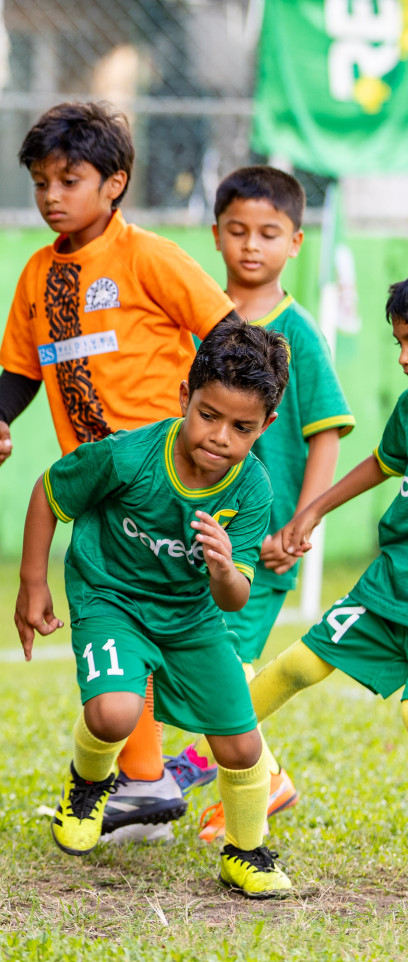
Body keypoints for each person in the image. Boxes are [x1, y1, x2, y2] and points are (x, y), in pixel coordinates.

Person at [0, 101, 241, 839]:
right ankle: (147, 783)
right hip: (97, 490)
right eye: (39, 182)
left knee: (167, 627)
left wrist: (212, 427)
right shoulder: (37, 276)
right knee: (129, 627)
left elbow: (230, 336)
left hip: (165, 483)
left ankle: (252, 773)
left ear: (114, 183)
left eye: (69, 179)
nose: (52, 196)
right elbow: (21, 373)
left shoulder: (148, 258)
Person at [18, 319, 295, 898]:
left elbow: (233, 596)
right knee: (115, 714)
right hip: (110, 598)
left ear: (265, 427)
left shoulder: (253, 490)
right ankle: (88, 786)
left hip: (191, 615)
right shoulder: (128, 457)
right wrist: (32, 584)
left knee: (244, 747)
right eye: (208, 415)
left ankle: (245, 853)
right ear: (183, 400)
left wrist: (223, 567)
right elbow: (49, 491)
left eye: (241, 427)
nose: (220, 436)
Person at [162, 167, 353, 840]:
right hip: (200, 538)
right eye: (237, 230)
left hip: (263, 546)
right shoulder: (199, 323)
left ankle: (258, 777)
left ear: (295, 241)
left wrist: (301, 521)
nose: (251, 246)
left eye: (268, 233)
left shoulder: (297, 333)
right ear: (215, 235)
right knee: (188, 668)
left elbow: (325, 431)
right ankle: (191, 762)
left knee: (220, 665)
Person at [232, 282, 408, 772]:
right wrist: (313, 511)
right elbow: (381, 463)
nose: (402, 358)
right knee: (298, 664)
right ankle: (232, 761)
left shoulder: (301, 333)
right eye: (398, 343)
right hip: (391, 580)